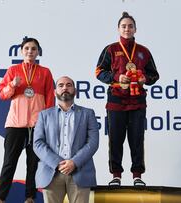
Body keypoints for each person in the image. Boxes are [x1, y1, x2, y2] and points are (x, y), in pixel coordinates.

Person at [95, 11, 159, 187]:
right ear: (118, 29)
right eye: (124, 26)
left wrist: (145, 79)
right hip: (116, 101)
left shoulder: (143, 51)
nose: (127, 29)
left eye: (130, 26)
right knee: (115, 139)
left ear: (135, 29)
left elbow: (155, 75)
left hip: (138, 102)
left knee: (137, 139)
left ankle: (137, 175)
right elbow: (99, 72)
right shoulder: (111, 49)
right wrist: (116, 78)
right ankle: (116, 175)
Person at [0, 37, 55, 203]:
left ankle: (30, 197)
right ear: (21, 51)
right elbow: (2, 94)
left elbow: (50, 98)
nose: (30, 51)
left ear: (38, 52)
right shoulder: (13, 70)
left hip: (37, 125)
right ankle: (0, 197)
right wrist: (13, 84)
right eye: (27, 48)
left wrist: (46, 123)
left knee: (34, 164)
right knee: (9, 163)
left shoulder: (45, 72)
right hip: (15, 124)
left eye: (33, 49)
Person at [33, 76, 99, 203]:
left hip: (80, 172)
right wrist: (58, 163)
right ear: (55, 92)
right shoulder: (44, 115)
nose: (65, 88)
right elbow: (38, 143)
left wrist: (74, 162)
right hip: (51, 173)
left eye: (69, 85)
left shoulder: (88, 113)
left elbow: (93, 143)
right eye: (61, 85)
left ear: (75, 90)